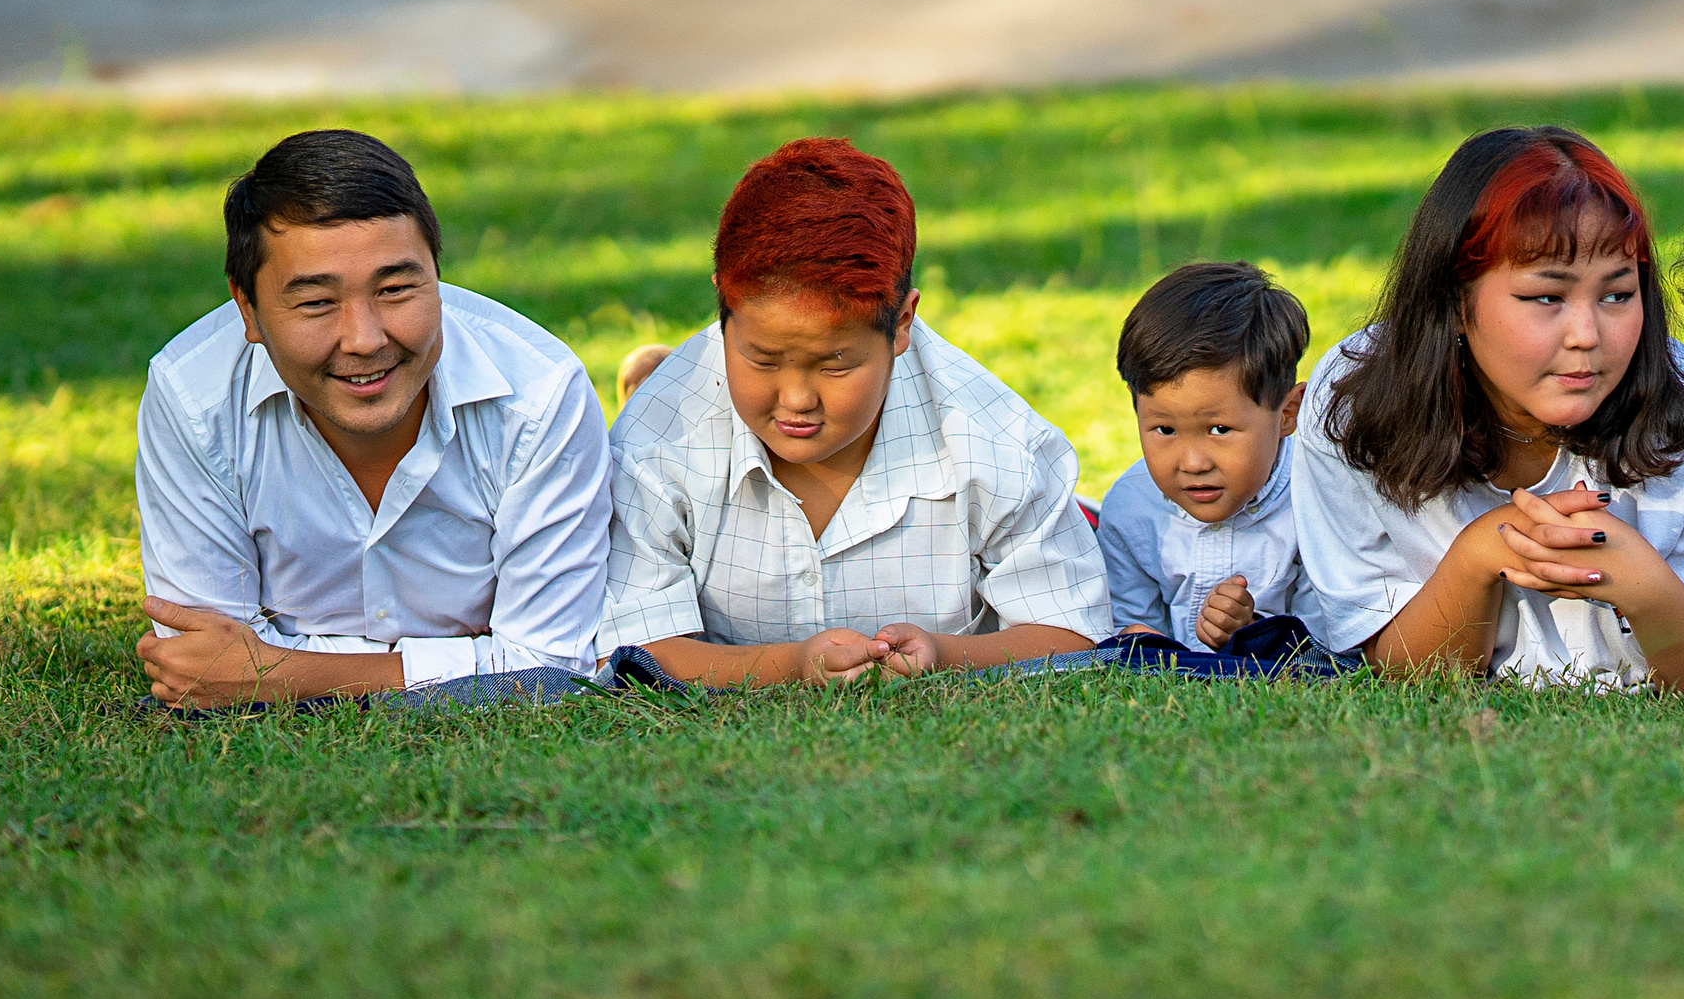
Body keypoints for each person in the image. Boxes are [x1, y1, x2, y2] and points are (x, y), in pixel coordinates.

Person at [1293, 126, 1684, 694]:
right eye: (1547, 297)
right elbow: (1407, 675)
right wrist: (1479, 557)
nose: (1587, 335)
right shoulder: (1355, 406)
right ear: (1454, 303)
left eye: (1617, 294)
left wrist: (1641, 582)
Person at [600, 137, 1108, 685]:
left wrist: (945, 655)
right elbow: (627, 652)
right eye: (762, 360)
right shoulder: (655, 442)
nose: (796, 398)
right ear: (723, 307)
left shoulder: (999, 442)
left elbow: (1075, 636)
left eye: (835, 365)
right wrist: (792, 667)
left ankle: (1088, 513)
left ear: (903, 323)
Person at [134, 130, 610, 707]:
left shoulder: (540, 394)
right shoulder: (193, 395)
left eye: (395, 289)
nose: (364, 340)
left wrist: (282, 673)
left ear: (438, 276)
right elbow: (203, 656)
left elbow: (551, 668)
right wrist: (477, 662)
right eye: (316, 302)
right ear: (247, 309)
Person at [1097, 262, 1322, 650]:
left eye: (1219, 430)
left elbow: (1331, 647)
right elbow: (1128, 630)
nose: (1193, 463)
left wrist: (1252, 631)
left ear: (1287, 414)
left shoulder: (1316, 500)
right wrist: (1137, 639)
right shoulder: (1131, 510)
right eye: (1165, 430)